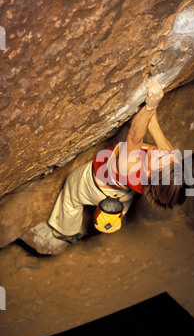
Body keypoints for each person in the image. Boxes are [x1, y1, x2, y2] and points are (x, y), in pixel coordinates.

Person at [48, 79, 186, 244]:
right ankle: (116, 214)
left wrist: (150, 106)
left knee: (70, 194)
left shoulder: (129, 167)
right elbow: (155, 129)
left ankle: (65, 231)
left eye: (161, 159)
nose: (162, 152)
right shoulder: (165, 166)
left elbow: (134, 135)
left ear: (150, 174)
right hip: (124, 196)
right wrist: (152, 104)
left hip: (94, 186)